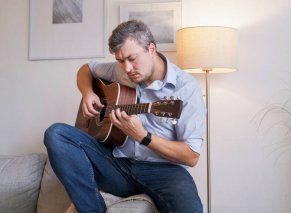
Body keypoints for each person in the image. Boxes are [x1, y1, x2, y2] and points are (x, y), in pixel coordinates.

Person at [44, 20, 206, 213]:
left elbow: (191, 156)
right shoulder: (120, 71)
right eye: (121, 60)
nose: (127, 68)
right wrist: (88, 93)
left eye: (132, 58)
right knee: (56, 134)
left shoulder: (186, 89)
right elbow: (86, 69)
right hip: (117, 165)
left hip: (165, 171)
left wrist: (143, 136)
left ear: (151, 49)